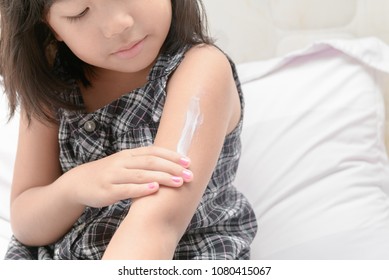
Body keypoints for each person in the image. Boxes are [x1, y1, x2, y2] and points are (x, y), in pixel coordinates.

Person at [0, 0, 257, 260]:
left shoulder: (201, 69)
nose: (117, 25)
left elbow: (155, 227)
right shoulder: (52, 81)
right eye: (80, 12)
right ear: (52, 26)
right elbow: (26, 224)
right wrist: (75, 187)